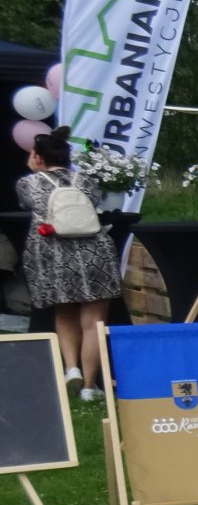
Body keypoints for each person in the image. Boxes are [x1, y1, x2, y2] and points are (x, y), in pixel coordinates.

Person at [15, 127, 120, 401]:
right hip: (94, 254)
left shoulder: (28, 183)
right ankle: (89, 387)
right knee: (93, 322)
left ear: (38, 157)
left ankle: (71, 368)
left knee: (64, 314)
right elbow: (95, 203)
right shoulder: (85, 181)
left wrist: (35, 171)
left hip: (54, 256)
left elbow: (29, 203)